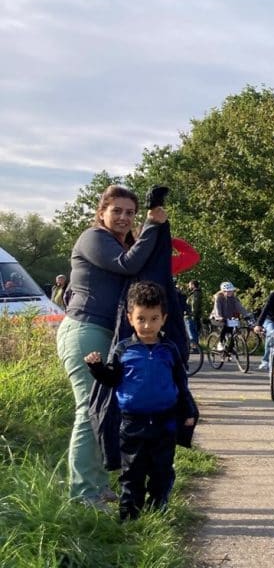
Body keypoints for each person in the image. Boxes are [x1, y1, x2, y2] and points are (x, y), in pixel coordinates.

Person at [57, 184, 165, 506]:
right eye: (116, 210)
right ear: (101, 211)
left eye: (130, 213)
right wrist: (152, 225)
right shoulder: (93, 238)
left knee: (106, 410)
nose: (123, 217)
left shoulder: (122, 241)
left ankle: (98, 485)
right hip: (84, 329)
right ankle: (82, 493)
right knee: (89, 408)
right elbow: (127, 265)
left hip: (108, 332)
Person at [84, 281, 196, 520]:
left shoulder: (170, 349)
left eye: (154, 319)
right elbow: (112, 379)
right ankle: (129, 517)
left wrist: (187, 412)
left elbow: (181, 383)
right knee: (132, 473)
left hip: (165, 422)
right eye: (141, 318)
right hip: (132, 423)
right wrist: (96, 368)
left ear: (164, 318)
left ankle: (157, 511)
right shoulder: (123, 349)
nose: (147, 325)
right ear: (129, 318)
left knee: (162, 471)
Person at [210, 281, 248, 351]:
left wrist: (247, 314)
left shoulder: (234, 298)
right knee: (224, 326)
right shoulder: (219, 298)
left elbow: (239, 307)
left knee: (233, 330)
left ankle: (231, 347)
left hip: (229, 319)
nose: (230, 292)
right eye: (227, 291)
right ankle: (220, 343)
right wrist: (219, 317)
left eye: (231, 291)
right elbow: (217, 309)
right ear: (223, 291)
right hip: (216, 318)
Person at [185, 280, 203, 347]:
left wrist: (192, 315)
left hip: (191, 315)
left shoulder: (195, 294)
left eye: (189, 285)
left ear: (193, 285)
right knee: (194, 332)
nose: (189, 286)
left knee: (191, 332)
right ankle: (195, 346)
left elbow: (194, 305)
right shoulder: (197, 293)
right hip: (194, 315)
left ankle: (195, 347)